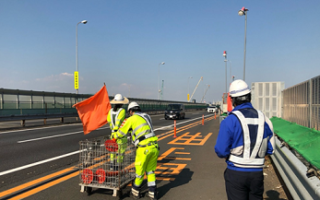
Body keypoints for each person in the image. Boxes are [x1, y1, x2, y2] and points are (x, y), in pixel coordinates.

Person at [214, 79, 275, 200]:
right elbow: (271, 149)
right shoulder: (264, 119)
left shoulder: (229, 120)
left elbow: (221, 150)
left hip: (236, 172)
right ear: (250, 97)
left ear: (232, 100)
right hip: (257, 173)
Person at [113, 102, 159, 200]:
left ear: (130, 111)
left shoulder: (131, 118)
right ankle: (152, 193)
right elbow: (140, 129)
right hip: (154, 146)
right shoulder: (147, 116)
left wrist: (114, 137)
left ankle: (135, 191)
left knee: (139, 172)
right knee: (150, 171)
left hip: (144, 148)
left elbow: (121, 132)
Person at [107, 94, 129, 170]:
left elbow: (109, 121)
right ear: (122, 103)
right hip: (120, 134)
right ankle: (119, 166)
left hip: (112, 134)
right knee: (120, 151)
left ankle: (112, 166)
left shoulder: (110, 111)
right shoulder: (122, 111)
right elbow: (120, 122)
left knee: (112, 150)